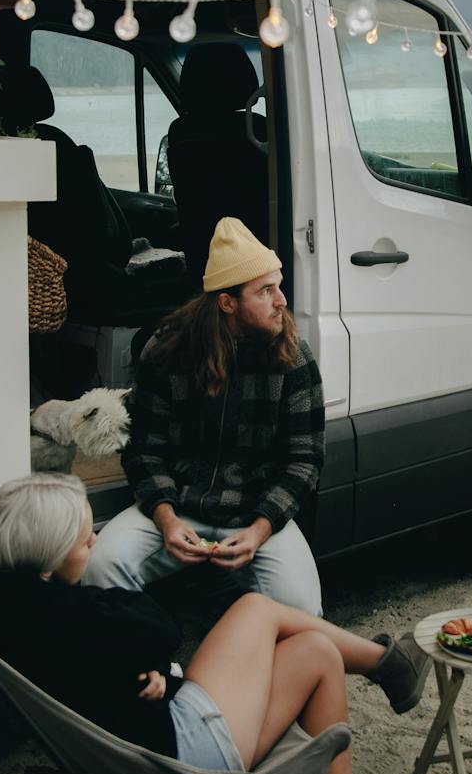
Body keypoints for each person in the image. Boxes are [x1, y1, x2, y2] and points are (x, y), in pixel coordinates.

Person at [0, 473, 432, 774]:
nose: (96, 542)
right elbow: (161, 630)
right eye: (86, 540)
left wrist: (139, 670)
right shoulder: (70, 611)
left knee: (317, 649)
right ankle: (387, 663)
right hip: (181, 756)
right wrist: (145, 663)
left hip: (144, 735)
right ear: (48, 554)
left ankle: (387, 665)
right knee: (258, 607)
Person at [86, 216, 327, 615]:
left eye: (278, 286)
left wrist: (260, 529)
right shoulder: (167, 351)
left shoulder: (293, 357)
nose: (282, 301)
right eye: (266, 291)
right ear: (228, 303)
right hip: (176, 508)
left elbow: (304, 460)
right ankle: (141, 672)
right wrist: (165, 520)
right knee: (101, 566)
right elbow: (144, 448)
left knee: (303, 610)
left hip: (256, 517)